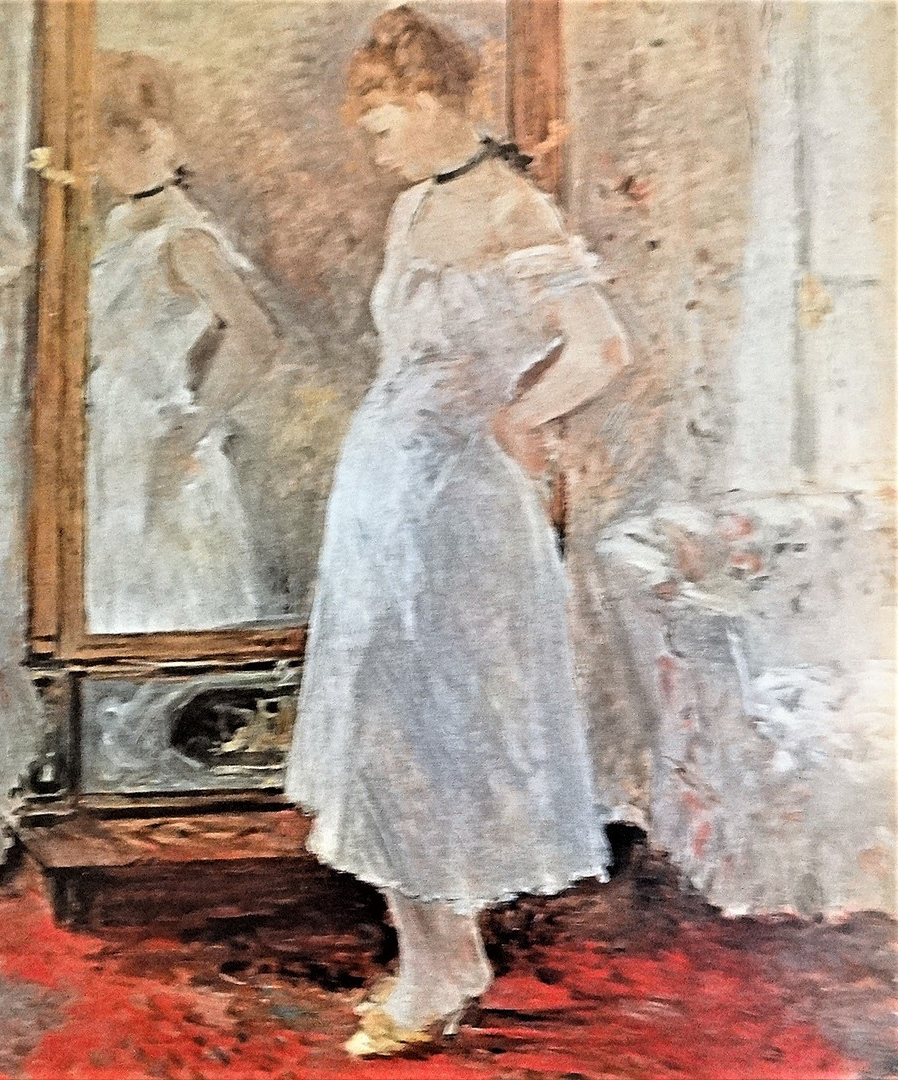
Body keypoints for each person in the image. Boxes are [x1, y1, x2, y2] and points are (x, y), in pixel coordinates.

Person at [284, 6, 633, 1056]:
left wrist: (520, 417)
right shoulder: (415, 208)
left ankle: (440, 967)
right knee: (381, 724)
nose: (373, 146)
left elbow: (601, 348)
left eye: (383, 123)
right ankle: (438, 954)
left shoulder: (513, 209)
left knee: (433, 729)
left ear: (431, 101)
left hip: (456, 508)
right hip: (381, 490)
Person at [86, 51, 282, 633]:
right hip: (109, 433)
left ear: (145, 139)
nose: (92, 164)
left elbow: (255, 336)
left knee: (167, 595)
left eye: (100, 148)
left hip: (152, 436)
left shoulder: (184, 238)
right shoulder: (122, 223)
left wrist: (193, 427)